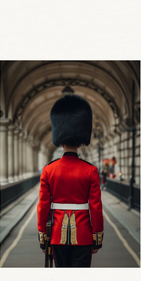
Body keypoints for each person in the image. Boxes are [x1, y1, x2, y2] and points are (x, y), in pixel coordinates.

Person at [37, 94, 104, 267]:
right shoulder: (91, 171)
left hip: (57, 235)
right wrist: (97, 237)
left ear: (60, 142)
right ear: (81, 142)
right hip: (83, 235)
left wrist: (43, 236)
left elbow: (43, 206)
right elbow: (96, 207)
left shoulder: (48, 170)